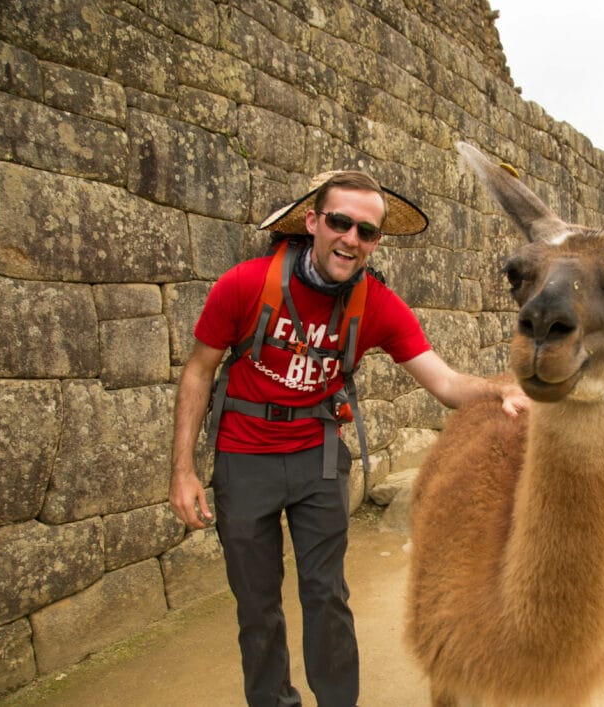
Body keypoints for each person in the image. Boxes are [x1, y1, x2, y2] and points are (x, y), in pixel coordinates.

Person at [169, 170, 529, 707]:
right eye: (340, 222)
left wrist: (503, 392)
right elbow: (199, 372)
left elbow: (446, 382)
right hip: (245, 457)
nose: (351, 239)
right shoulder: (245, 285)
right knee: (257, 603)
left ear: (376, 241)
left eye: (366, 231)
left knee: (327, 595)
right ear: (313, 221)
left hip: (318, 456)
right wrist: (183, 471)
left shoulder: (376, 304)